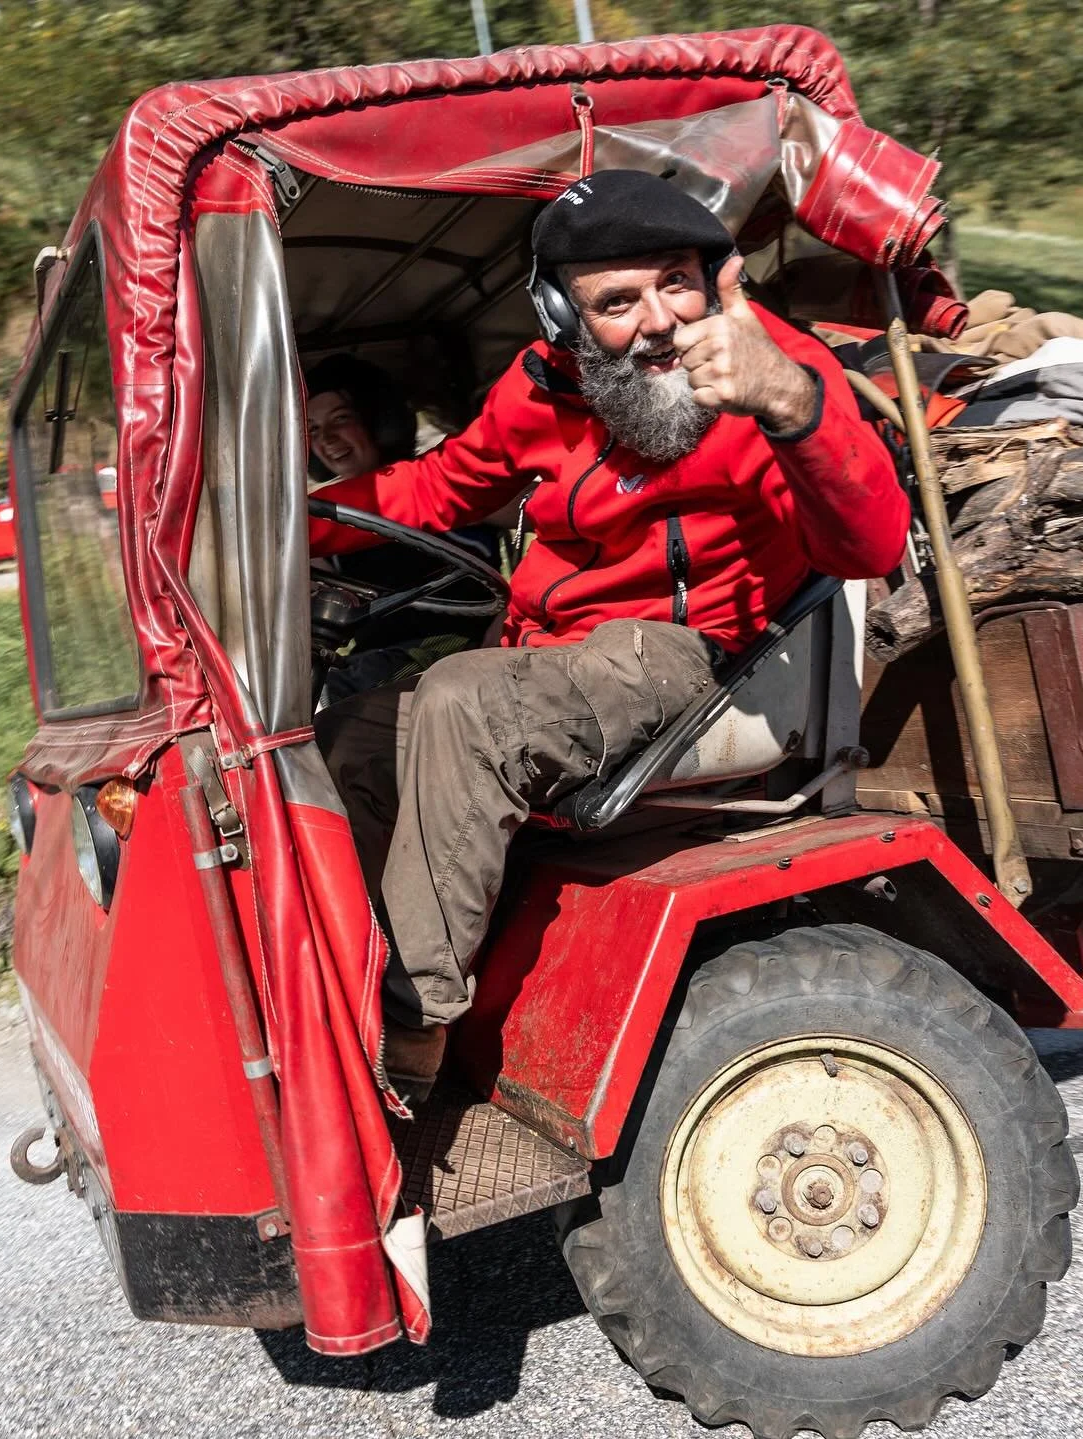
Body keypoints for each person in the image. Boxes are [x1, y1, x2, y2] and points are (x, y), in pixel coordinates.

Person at [310, 171, 909, 1100]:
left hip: (688, 657)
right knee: (343, 738)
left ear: (716, 280)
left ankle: (415, 1033)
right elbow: (435, 492)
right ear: (564, 318)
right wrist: (287, 521)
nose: (661, 320)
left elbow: (866, 542)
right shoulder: (541, 390)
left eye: (677, 281)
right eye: (618, 302)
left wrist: (792, 403)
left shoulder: (769, 374)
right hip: (548, 655)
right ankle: (362, 965)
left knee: (463, 699)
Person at [305, 355, 502, 705]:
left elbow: (547, 518)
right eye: (314, 429)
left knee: (340, 698)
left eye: (341, 419)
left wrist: (509, 620)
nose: (328, 439)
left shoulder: (444, 483)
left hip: (454, 647)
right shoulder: (322, 521)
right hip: (371, 660)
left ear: (379, 419)